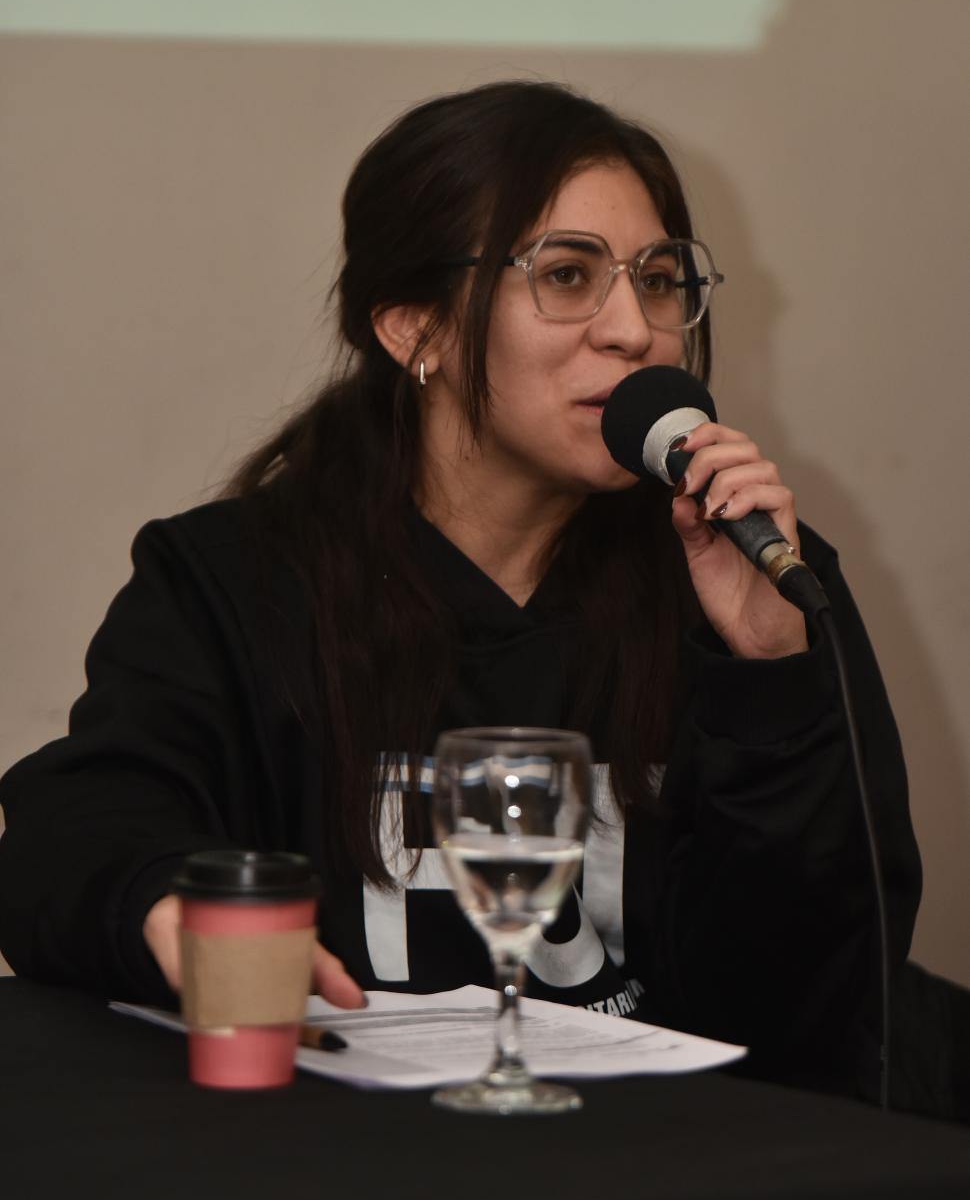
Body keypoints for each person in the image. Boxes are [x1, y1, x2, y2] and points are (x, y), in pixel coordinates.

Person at [0, 81, 922, 1102]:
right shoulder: (232, 580)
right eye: (569, 274)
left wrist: (765, 680)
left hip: (662, 1171)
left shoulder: (756, 574)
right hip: (339, 1176)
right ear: (414, 329)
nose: (634, 330)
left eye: (660, 280)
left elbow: (822, 998)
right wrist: (166, 908)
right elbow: (75, 833)